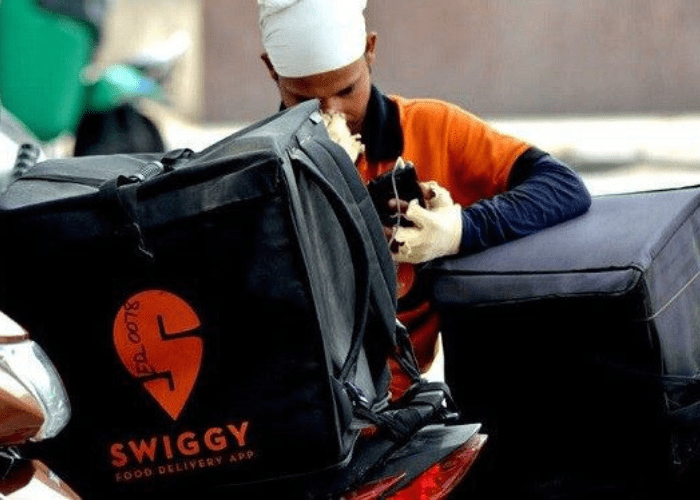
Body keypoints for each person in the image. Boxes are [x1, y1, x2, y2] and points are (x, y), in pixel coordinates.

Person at [257, 0, 592, 398]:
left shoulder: (433, 130)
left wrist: (458, 230)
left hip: (400, 402)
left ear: (370, 50)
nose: (333, 113)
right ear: (272, 70)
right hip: (300, 403)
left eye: (347, 90)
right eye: (304, 101)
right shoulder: (251, 171)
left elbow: (562, 186)